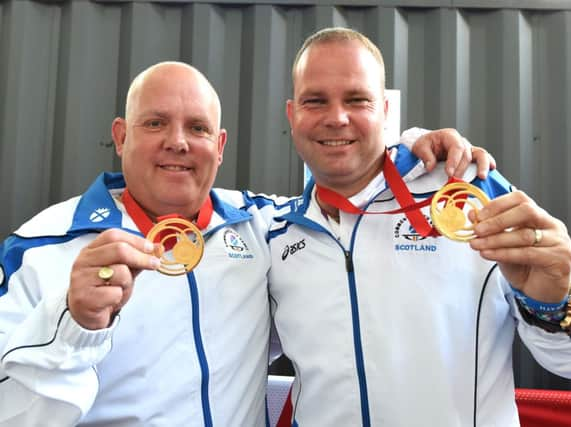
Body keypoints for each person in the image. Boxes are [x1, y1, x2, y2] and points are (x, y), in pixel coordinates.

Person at [0, 61, 491, 426]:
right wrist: (72, 324)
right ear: (121, 136)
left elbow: (346, 190)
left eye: (197, 128)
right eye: (155, 124)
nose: (178, 142)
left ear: (220, 146)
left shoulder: (264, 225)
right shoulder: (39, 246)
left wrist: (415, 149)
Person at [267, 27, 571, 426]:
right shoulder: (273, 234)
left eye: (357, 100)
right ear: (292, 114)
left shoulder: (466, 190)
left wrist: (555, 302)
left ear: (386, 111)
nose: (337, 118)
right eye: (315, 101)